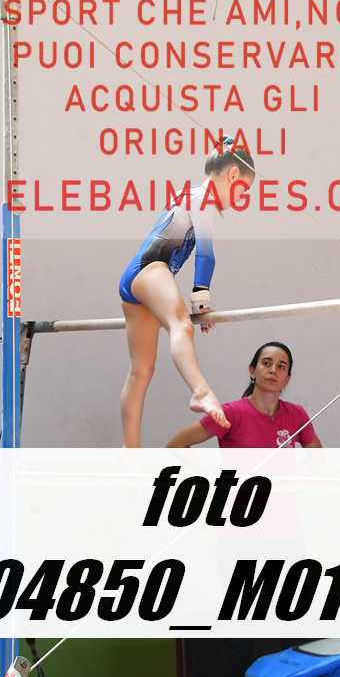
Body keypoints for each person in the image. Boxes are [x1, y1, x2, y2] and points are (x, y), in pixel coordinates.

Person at [119, 136, 255, 447]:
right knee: (180, 325)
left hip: (138, 278)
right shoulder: (202, 198)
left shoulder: (190, 197)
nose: (239, 199)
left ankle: (130, 450)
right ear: (233, 174)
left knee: (141, 371)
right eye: (243, 190)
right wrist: (200, 297)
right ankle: (200, 391)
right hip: (150, 268)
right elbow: (206, 254)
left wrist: (199, 304)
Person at [167, 341, 322, 448]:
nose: (273, 370)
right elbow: (176, 444)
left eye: (281, 367)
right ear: (252, 370)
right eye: (266, 363)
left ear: (287, 379)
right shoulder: (229, 413)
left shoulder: (297, 414)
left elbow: (319, 462)